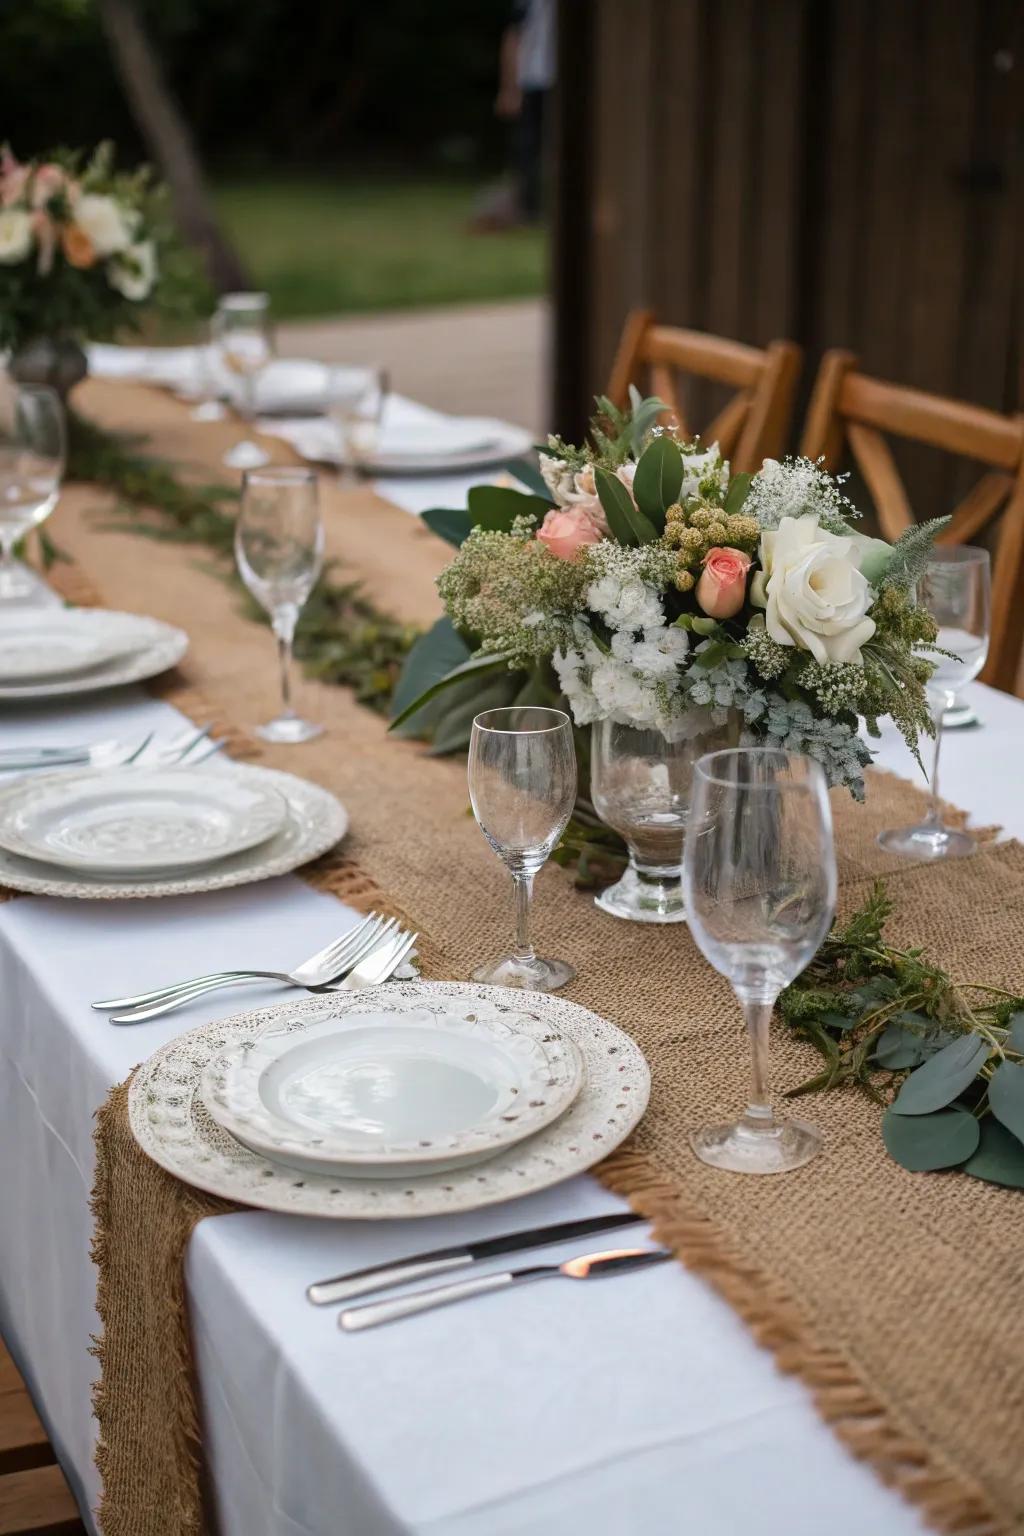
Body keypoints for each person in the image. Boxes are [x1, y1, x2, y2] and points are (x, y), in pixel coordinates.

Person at [495, 0, 555, 224]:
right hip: (534, 79)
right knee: (528, 148)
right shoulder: (529, 3)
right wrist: (509, 88)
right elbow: (513, 37)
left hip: (566, 85)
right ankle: (529, 210)